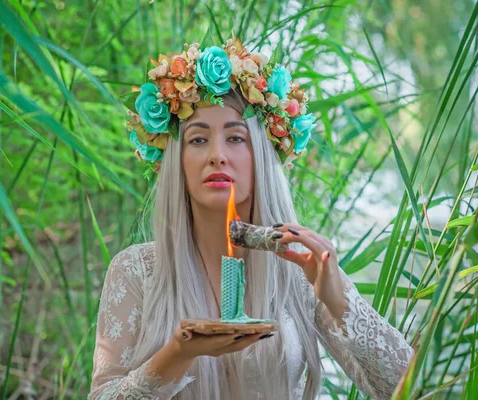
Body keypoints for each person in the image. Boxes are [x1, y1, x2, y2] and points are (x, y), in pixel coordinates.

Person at [88, 38, 413, 400]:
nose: (217, 156)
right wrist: (178, 353)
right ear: (177, 160)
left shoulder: (299, 271)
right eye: (197, 140)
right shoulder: (136, 269)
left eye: (236, 138)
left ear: (261, 154)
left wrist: (337, 297)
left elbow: (407, 389)